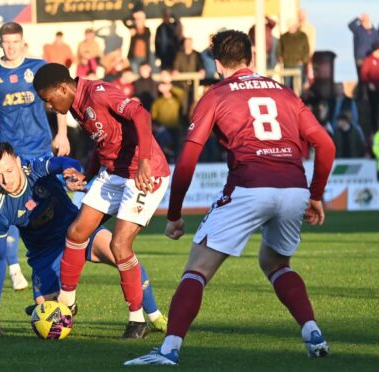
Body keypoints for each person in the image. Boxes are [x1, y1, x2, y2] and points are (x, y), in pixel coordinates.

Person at [125, 30, 336, 365]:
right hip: (294, 187)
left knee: (197, 268)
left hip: (250, 185)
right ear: (250, 58)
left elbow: (189, 158)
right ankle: (312, 332)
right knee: (275, 263)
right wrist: (316, 195)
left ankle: (168, 351)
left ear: (216, 61)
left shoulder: (216, 94)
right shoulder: (284, 92)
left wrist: (174, 213)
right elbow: (326, 145)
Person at [33, 63, 171, 339]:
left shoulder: (98, 93)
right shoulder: (75, 105)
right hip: (114, 174)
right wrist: (89, 174)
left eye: (49, 100)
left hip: (145, 173)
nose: (49, 107)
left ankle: (137, 320)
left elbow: (141, 115)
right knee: (76, 231)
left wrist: (144, 161)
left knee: (119, 245)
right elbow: (103, 142)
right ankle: (67, 303)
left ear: (63, 88)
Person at [0, 142, 167, 336]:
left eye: (9, 170)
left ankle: (154, 316)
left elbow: (65, 162)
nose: (5, 180)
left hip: (77, 230)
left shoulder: (35, 169)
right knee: (50, 320)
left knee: (123, 257)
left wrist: (70, 175)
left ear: (18, 162)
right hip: (44, 254)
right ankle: (64, 302)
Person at [0, 22, 71, 292]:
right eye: (6, 43)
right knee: (12, 207)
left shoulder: (39, 67)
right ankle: (14, 267)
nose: (11, 47)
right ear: (0, 44)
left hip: (40, 148)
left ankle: (61, 258)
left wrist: (62, 133)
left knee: (51, 203)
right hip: (11, 154)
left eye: (15, 42)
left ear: (23, 43)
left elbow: (59, 98)